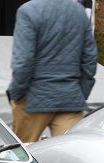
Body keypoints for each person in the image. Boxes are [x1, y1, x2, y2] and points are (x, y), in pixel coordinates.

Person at [7, 0, 97, 142]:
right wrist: (81, 94)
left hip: (33, 99)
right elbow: (90, 59)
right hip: (70, 98)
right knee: (70, 157)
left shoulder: (28, 10)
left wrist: (16, 94)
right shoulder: (79, 11)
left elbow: (23, 63)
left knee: (22, 157)